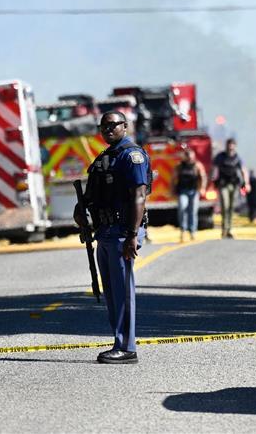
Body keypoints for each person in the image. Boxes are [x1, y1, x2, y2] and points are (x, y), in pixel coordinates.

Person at [74, 110, 150, 365]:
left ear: (124, 126)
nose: (108, 129)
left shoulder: (132, 156)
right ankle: (119, 341)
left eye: (113, 125)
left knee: (122, 292)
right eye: (103, 126)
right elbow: (90, 196)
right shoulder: (104, 158)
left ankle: (127, 347)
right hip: (105, 232)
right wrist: (80, 212)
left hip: (122, 232)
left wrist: (132, 235)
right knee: (112, 293)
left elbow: (139, 196)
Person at [212, 138, 250, 239]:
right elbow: (215, 169)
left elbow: (243, 170)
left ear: (235, 146)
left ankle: (229, 229)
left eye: (232, 145)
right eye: (229, 144)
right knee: (225, 206)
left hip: (234, 184)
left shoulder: (237, 158)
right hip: (223, 184)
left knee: (231, 207)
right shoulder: (220, 157)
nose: (230, 147)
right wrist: (214, 179)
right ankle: (224, 229)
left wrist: (246, 183)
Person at [172, 148, 207, 242]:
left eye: (191, 156)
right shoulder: (179, 166)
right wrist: (172, 190)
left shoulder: (197, 165)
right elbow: (174, 178)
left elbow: (203, 177)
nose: (189, 158)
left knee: (193, 211)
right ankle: (183, 230)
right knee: (182, 208)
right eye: (187, 155)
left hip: (194, 191)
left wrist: (202, 188)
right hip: (183, 191)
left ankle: (192, 231)